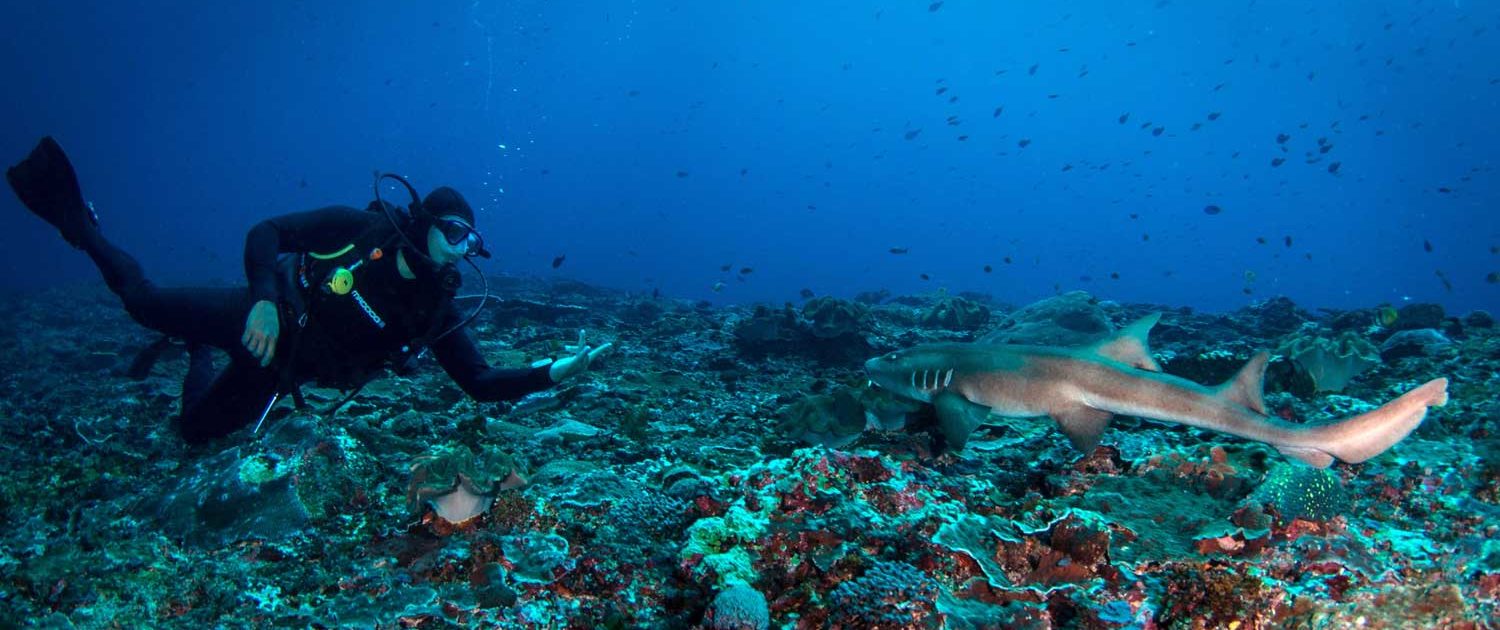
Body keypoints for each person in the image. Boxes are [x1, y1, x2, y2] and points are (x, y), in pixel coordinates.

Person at [6, 136, 609, 444]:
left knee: (191, 434)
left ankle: (195, 354)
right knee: (143, 305)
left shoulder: (436, 309)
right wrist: (265, 299)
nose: (462, 249)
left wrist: (555, 371)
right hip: (261, 317)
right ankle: (81, 227)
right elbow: (267, 231)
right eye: (455, 232)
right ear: (425, 222)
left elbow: (479, 385)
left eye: (473, 243)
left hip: (281, 371)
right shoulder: (359, 228)